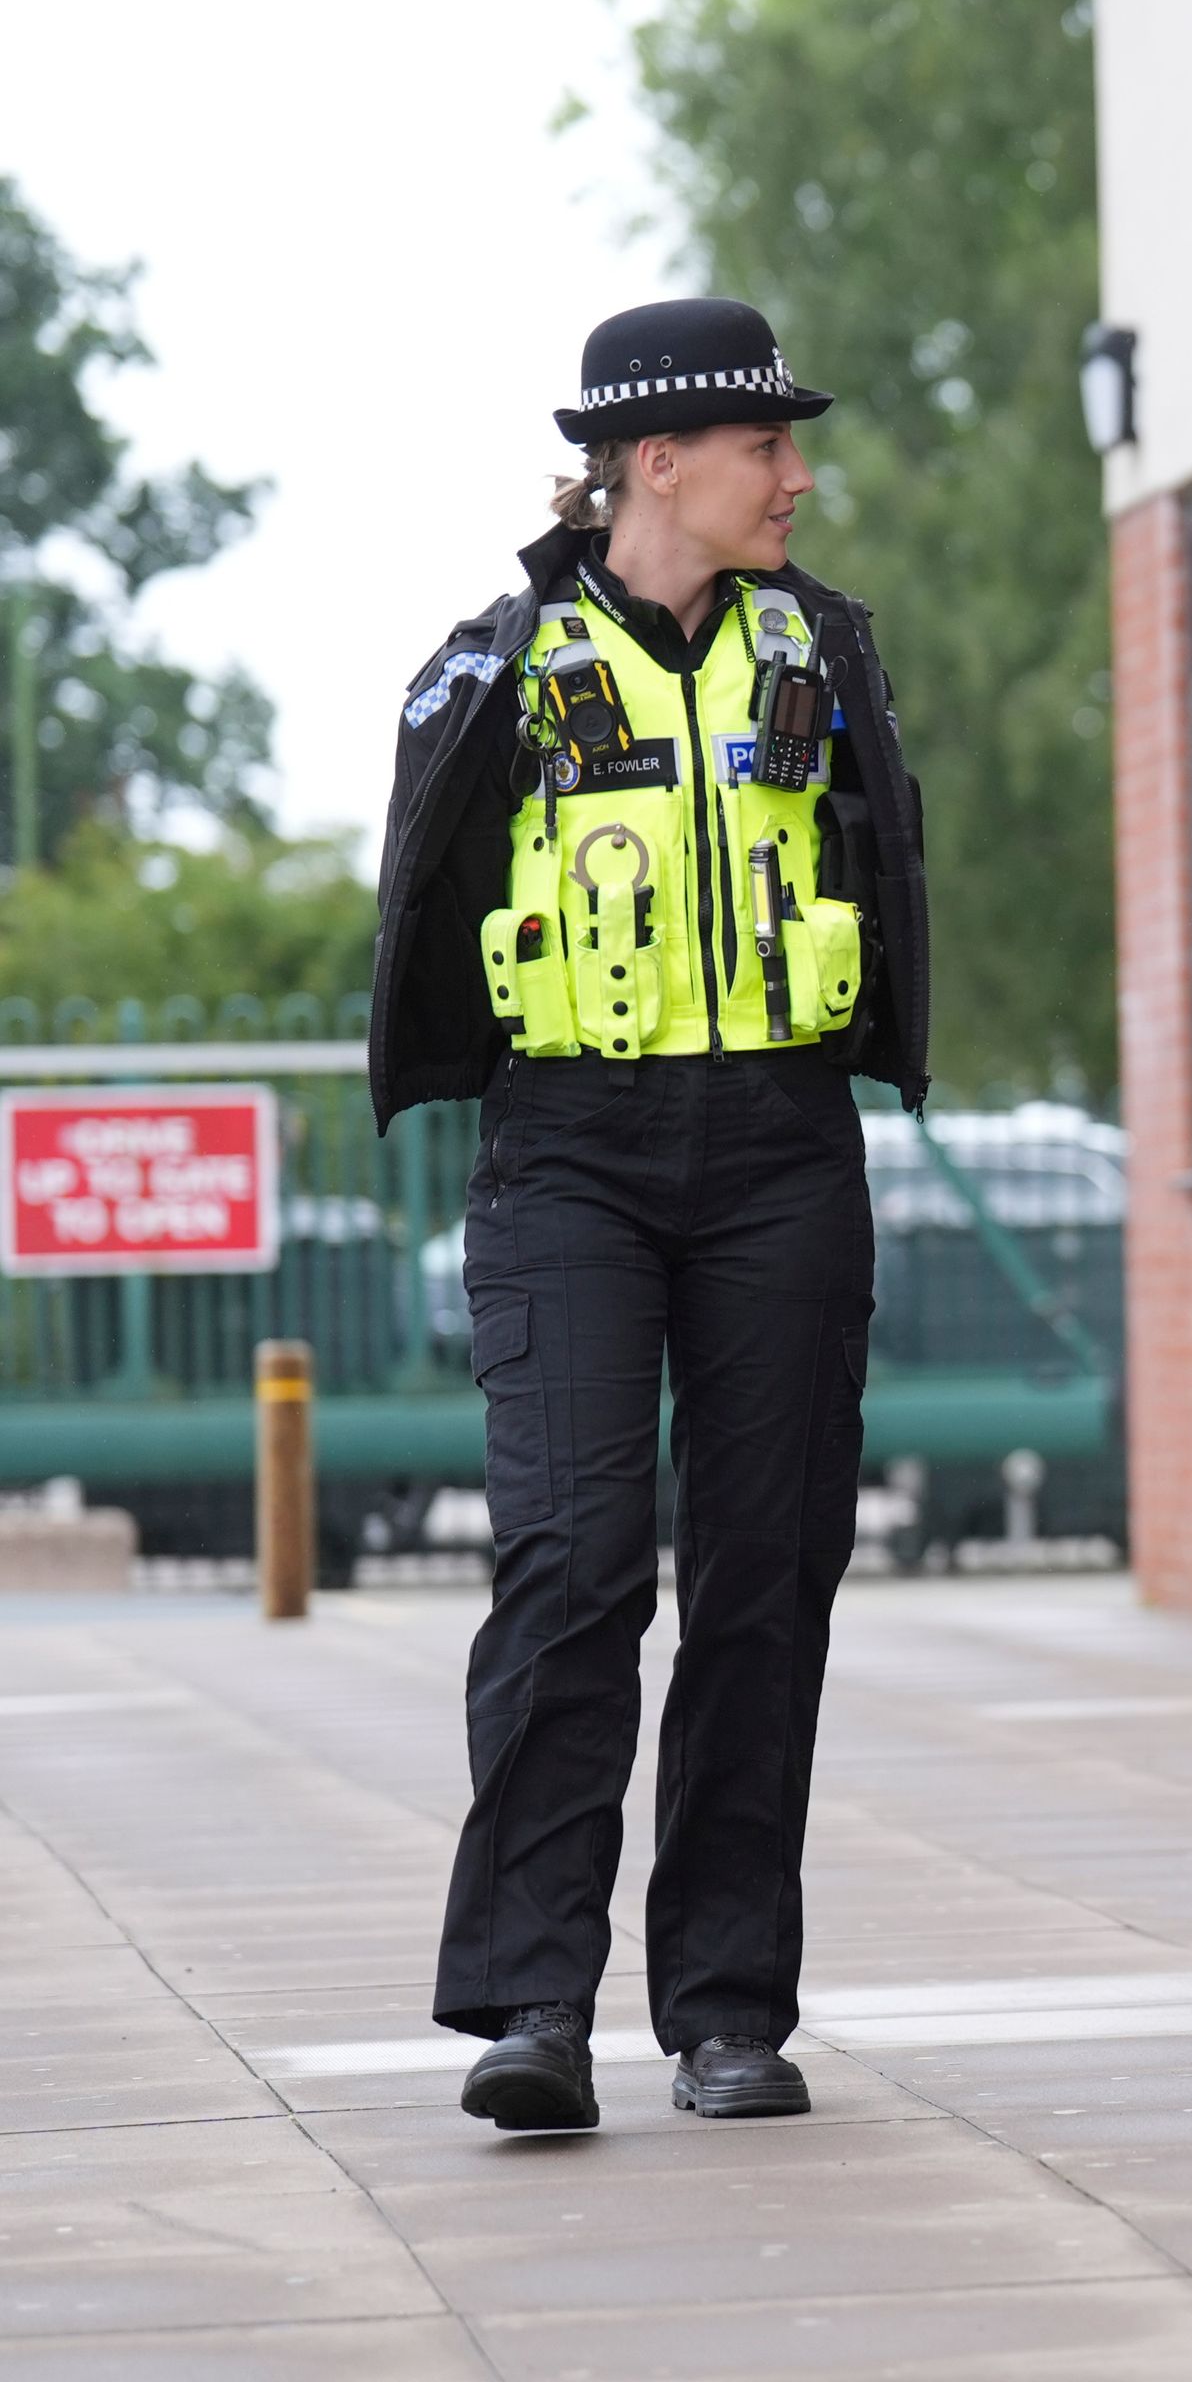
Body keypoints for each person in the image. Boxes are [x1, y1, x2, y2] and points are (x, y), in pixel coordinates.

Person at [372, 297, 932, 2131]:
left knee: (766, 1576)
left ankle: (725, 2009)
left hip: (783, 1146)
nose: (799, 474)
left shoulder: (826, 648)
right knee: (575, 1566)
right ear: (657, 462)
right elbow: (420, 899)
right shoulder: (496, 661)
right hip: (573, 1158)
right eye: (769, 446)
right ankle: (535, 2002)